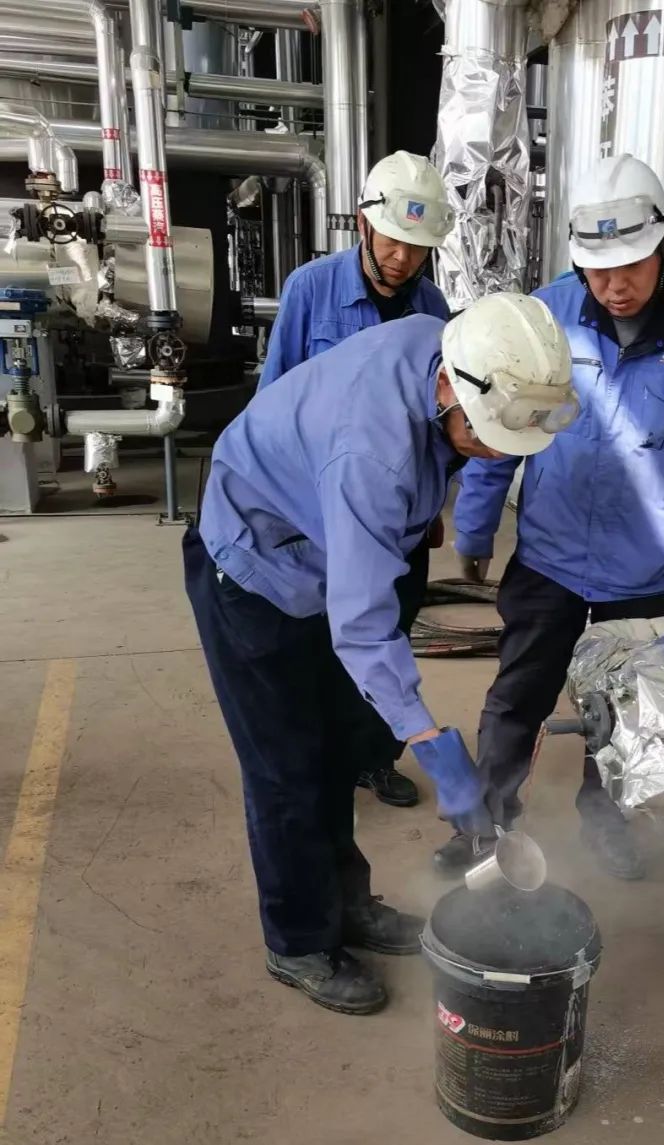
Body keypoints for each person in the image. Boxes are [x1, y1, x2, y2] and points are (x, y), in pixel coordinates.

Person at [184, 295, 575, 1015]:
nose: (495, 453)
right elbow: (362, 627)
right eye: (486, 435)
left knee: (338, 751)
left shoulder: (443, 341)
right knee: (287, 768)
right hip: (253, 569)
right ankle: (299, 939)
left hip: (320, 546)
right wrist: (428, 741)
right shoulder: (373, 456)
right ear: (451, 387)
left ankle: (346, 906)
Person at [438, 153, 664, 881]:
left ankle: (608, 817)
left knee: (625, 712)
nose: (614, 286)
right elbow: (498, 429)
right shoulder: (545, 316)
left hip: (647, 571)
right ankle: (484, 825)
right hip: (550, 558)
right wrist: (476, 527)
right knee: (516, 698)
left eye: (631, 267)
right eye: (597, 270)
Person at [259, 150, 455, 809]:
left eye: (418, 247)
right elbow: (273, 401)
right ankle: (314, 766)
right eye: (393, 240)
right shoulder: (311, 290)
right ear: (364, 224)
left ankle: (374, 756)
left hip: (396, 510)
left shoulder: (432, 308)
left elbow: (444, 418)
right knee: (321, 636)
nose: (403, 258)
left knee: (390, 626)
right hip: (319, 511)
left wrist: (434, 506)